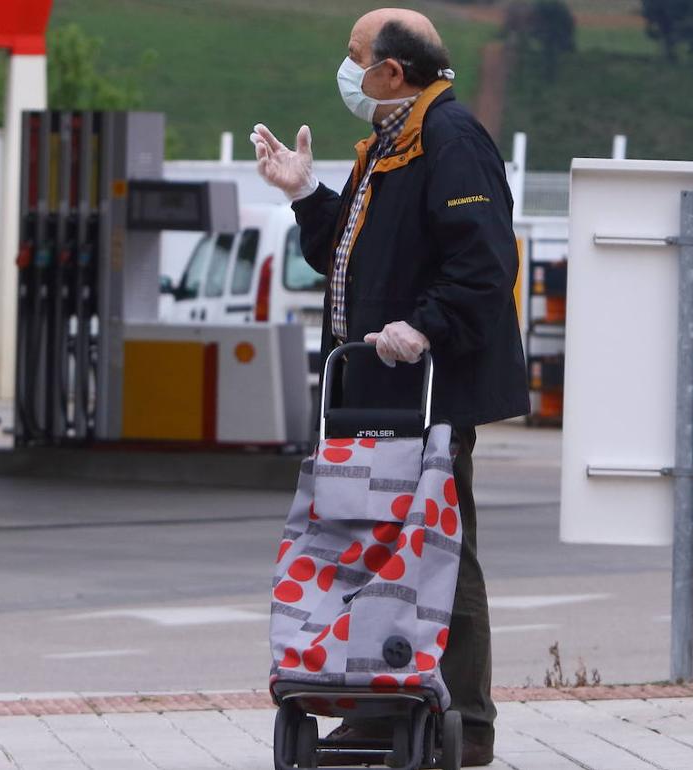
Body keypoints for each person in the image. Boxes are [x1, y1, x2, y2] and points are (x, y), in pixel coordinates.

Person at [253, 7, 528, 767]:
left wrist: (426, 327)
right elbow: (350, 256)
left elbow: (484, 266)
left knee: (440, 549)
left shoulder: (450, 139)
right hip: (376, 386)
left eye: (355, 56)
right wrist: (306, 194)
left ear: (392, 71)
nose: (347, 71)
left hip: (431, 389)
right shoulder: (389, 142)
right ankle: (382, 700)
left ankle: (465, 722)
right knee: (375, 546)